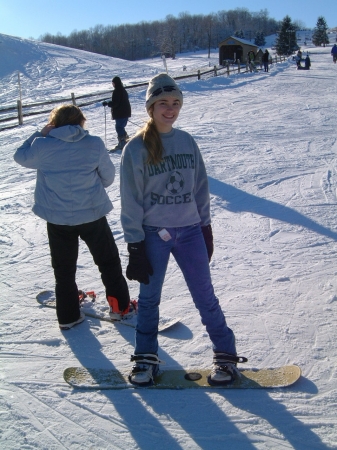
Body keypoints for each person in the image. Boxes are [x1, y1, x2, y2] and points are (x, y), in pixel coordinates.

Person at [120, 74, 246, 387]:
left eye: (175, 102)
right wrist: (135, 245)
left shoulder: (187, 141)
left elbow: (200, 188)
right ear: (150, 107)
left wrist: (206, 228)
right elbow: (131, 201)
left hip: (190, 231)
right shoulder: (135, 149)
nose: (171, 108)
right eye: (163, 102)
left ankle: (226, 357)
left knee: (206, 298)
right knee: (149, 300)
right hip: (153, 235)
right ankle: (146, 358)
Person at [14, 104, 133, 330]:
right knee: (108, 262)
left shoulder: (42, 145)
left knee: (64, 269)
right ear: (81, 121)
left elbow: (19, 156)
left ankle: (68, 316)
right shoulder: (94, 143)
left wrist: (40, 133)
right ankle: (120, 307)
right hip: (92, 214)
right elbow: (108, 178)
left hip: (58, 220)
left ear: (55, 123)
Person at [102, 76, 131, 150]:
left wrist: (108, 103)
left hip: (121, 113)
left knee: (119, 127)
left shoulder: (117, 91)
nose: (113, 84)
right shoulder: (122, 90)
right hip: (125, 112)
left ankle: (122, 143)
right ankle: (126, 140)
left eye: (113, 83)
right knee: (120, 127)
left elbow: (115, 103)